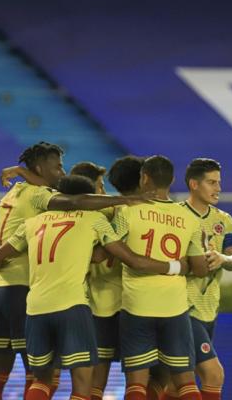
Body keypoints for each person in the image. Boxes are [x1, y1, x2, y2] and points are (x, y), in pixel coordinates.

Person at [0, 175, 189, 400]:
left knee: (41, 381)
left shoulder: (33, 223)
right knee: (83, 386)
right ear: (88, 198)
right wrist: (175, 266)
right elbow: (132, 260)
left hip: (35, 308)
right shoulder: (93, 219)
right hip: (72, 306)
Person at [111, 155, 209, 400]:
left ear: (144, 178)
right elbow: (199, 268)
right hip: (174, 307)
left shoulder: (127, 212)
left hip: (137, 305)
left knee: (136, 384)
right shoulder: (190, 218)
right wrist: (180, 266)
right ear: (173, 179)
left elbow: (106, 252)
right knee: (186, 381)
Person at [161, 158, 232, 400]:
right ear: (194, 184)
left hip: (208, 309)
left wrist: (222, 259)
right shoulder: (174, 216)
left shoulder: (223, 220)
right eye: (211, 182)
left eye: (219, 182)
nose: (218, 188)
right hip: (183, 308)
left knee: (175, 385)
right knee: (213, 374)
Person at [87, 156, 144, 400]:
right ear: (144, 179)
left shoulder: (97, 213)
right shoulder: (141, 214)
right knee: (141, 379)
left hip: (99, 304)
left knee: (94, 384)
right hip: (135, 304)